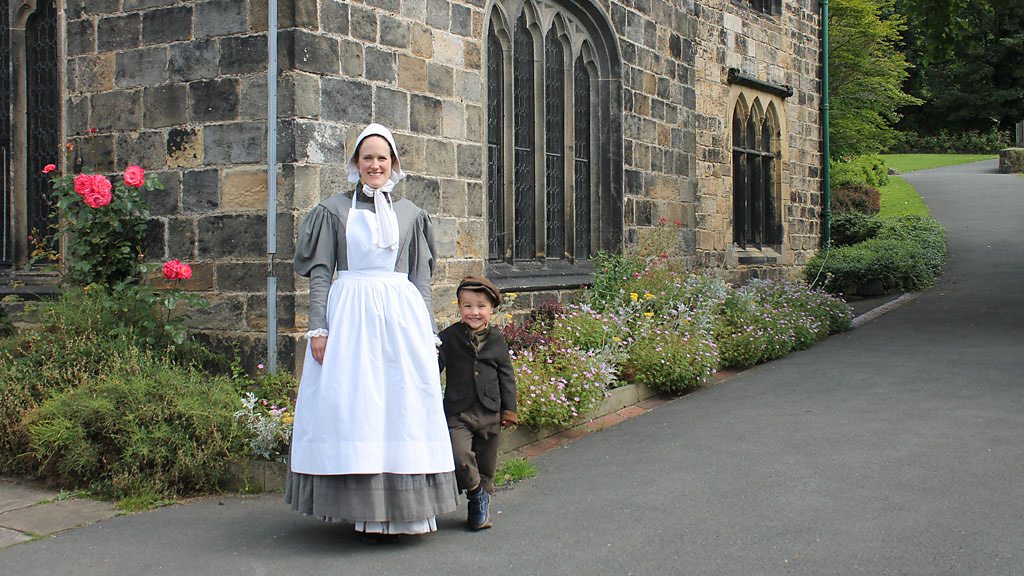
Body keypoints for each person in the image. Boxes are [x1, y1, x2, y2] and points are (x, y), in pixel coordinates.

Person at [286, 123, 457, 541]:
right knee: (354, 404)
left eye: (382, 158)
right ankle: (358, 505)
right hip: (350, 317)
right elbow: (321, 274)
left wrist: (428, 333)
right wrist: (318, 328)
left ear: (393, 163)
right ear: (356, 163)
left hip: (400, 320)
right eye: (368, 158)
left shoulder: (411, 214)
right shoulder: (332, 211)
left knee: (401, 404)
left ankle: (404, 507)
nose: (375, 165)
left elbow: (420, 281)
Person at [437, 275, 519, 530]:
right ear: (459, 307)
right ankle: (475, 492)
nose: (474, 312)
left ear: (491, 309)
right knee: (460, 456)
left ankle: (479, 505)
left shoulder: (497, 339)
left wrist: (509, 410)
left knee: (486, 463)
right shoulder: (448, 337)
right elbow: (433, 369)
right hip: (458, 411)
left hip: (489, 410)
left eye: (481, 306)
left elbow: (506, 375)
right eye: (467, 306)